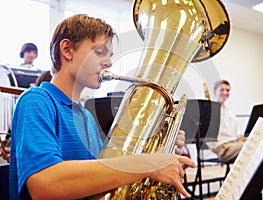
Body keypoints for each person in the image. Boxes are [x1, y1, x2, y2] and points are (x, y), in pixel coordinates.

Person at [9, 14, 194, 199]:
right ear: (67, 49)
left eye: (110, 55)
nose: (109, 63)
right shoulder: (36, 101)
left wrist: (158, 151)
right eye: (99, 52)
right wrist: (147, 164)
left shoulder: (86, 117)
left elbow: (102, 180)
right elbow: (45, 185)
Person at [212, 80, 246, 162]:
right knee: (252, 148)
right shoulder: (210, 110)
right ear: (214, 92)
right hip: (223, 148)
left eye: (227, 90)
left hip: (235, 144)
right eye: (222, 90)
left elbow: (239, 136)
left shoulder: (229, 113)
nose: (225, 92)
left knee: (262, 146)